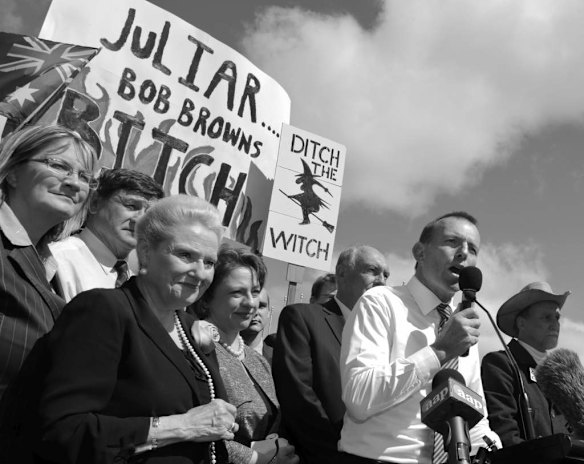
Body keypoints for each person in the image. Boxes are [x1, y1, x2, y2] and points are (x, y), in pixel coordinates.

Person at [0, 194, 238, 463]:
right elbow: (61, 430)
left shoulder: (191, 329)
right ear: (146, 252)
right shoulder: (103, 310)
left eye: (209, 262)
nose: (200, 272)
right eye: (185, 255)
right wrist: (181, 426)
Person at [339, 212, 501, 463]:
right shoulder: (380, 302)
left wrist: (499, 452)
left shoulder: (464, 326)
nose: (463, 253)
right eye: (452, 242)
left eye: (473, 249)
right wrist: (439, 352)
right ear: (420, 252)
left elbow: (476, 421)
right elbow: (359, 397)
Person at [0, 124, 97, 400]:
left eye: (85, 176)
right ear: (14, 172)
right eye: (57, 165)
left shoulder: (49, 269)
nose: (74, 183)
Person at [273, 245, 389, 464]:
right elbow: (298, 398)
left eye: (386, 275)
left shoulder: (386, 336)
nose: (382, 280)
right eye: (373, 270)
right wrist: (339, 456)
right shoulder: (302, 318)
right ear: (343, 272)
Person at [194, 245, 298, 464]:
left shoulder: (257, 359)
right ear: (205, 298)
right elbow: (195, 434)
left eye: (255, 291)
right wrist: (257, 457)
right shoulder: (194, 351)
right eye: (236, 293)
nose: (250, 303)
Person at [50, 168, 164, 301]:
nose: (140, 220)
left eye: (150, 213)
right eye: (131, 206)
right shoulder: (58, 261)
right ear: (95, 203)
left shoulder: (140, 282)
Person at [481, 281, 571, 446]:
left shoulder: (566, 377)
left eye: (557, 317)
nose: (555, 324)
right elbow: (505, 435)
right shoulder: (500, 364)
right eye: (546, 317)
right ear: (521, 323)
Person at [241, 287, 274, 364]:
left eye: (261, 306)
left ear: (269, 312)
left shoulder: (278, 358)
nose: (255, 312)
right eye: (250, 306)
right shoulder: (218, 352)